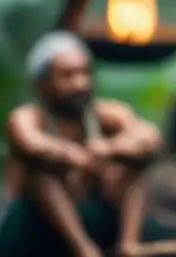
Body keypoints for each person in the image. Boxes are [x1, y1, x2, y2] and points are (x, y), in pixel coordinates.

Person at [1, 31, 165, 257]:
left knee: (133, 169)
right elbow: (31, 144)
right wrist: (75, 156)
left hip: (96, 211)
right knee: (41, 175)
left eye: (84, 73)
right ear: (43, 82)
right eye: (67, 76)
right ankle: (84, 250)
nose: (80, 83)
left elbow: (149, 137)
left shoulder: (105, 115)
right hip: (38, 228)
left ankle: (129, 245)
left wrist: (109, 149)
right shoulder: (27, 117)